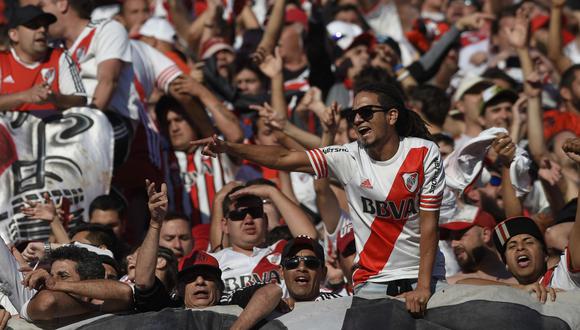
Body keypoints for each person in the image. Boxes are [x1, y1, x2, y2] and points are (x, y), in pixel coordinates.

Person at [193, 81, 446, 315]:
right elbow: (284, 158)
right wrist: (229, 147)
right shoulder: (349, 156)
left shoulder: (423, 152)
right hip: (372, 281)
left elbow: (429, 225)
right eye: (353, 114)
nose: (357, 120)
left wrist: (423, 288)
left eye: (367, 112)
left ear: (392, 116)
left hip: (423, 274)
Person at [209, 183, 317, 293]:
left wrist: (271, 191)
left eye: (255, 213)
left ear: (265, 220)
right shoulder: (213, 262)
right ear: (225, 225)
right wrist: (218, 200)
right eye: (239, 214)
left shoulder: (283, 250)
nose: (248, 220)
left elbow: (310, 237)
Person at [0, 5, 86, 114]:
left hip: (52, 127)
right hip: (9, 128)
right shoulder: (2, 60)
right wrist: (24, 96)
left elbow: (81, 100)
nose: (42, 29)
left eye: (45, 25)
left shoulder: (60, 57)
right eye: (34, 25)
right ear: (14, 35)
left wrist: (54, 98)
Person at [441, 207, 515, 284]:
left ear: (485, 235)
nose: (453, 244)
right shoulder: (450, 284)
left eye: (459, 236)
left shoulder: (521, 276)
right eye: (450, 238)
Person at [281, 236, 343, 302]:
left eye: (311, 262)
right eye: (293, 262)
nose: (302, 268)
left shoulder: (342, 305)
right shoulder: (273, 310)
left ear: (323, 272)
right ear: (282, 272)